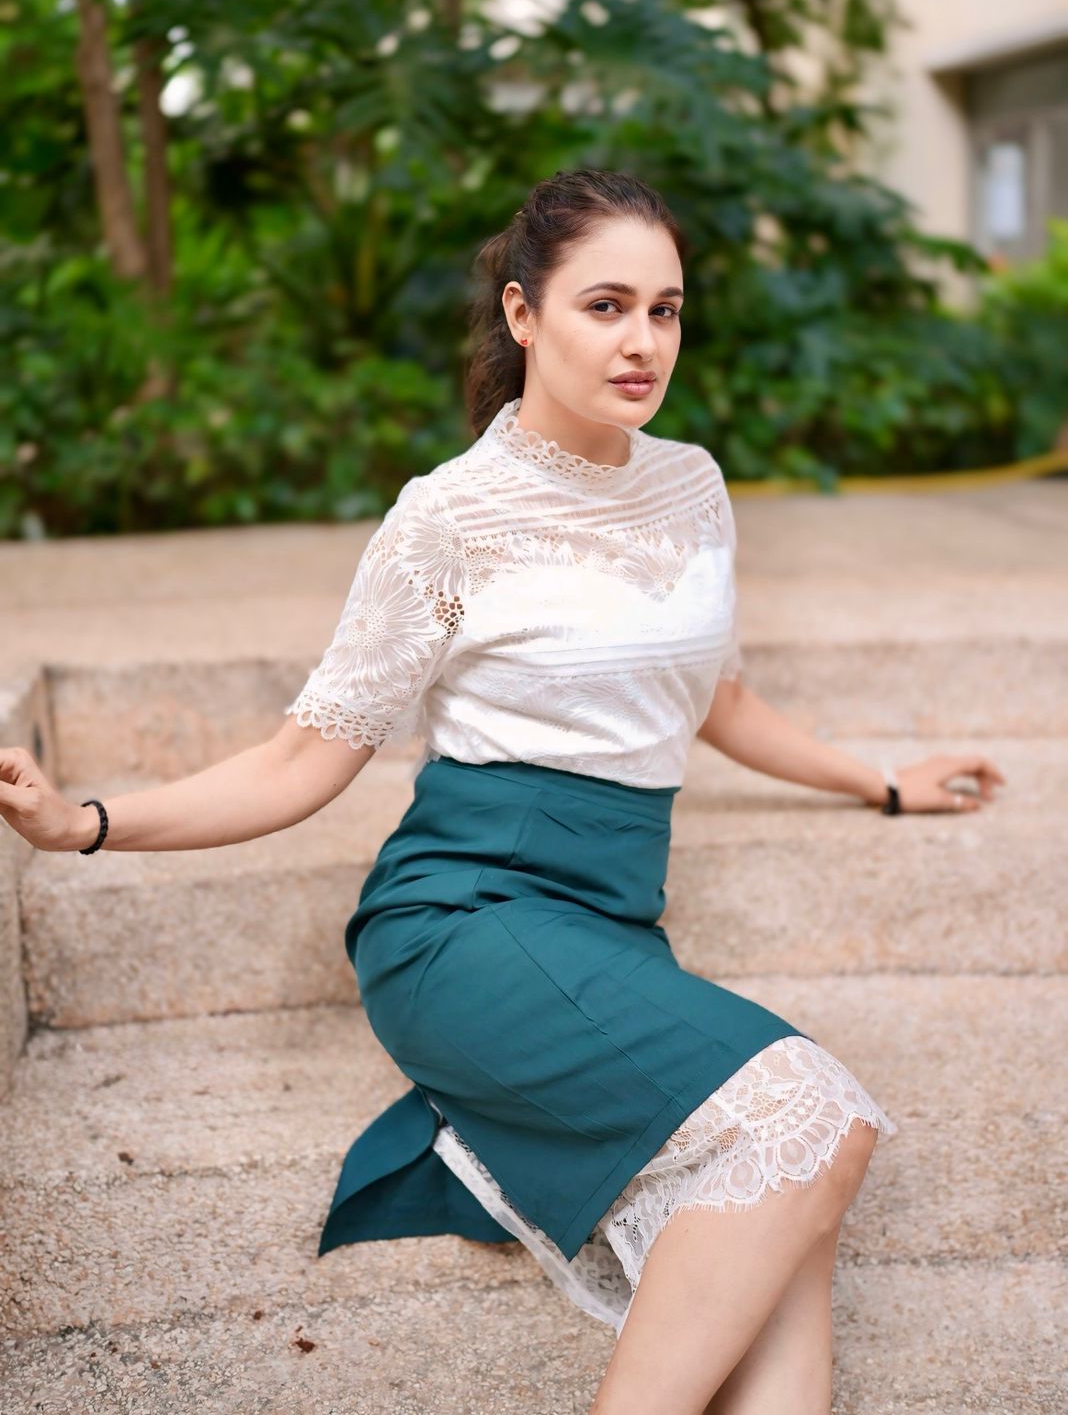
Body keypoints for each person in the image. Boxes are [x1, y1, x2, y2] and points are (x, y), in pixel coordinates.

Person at [0, 167, 1006, 1415]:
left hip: (611, 925)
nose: (644, 342)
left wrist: (884, 784)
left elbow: (718, 700)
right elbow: (302, 757)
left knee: (789, 1208)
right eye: (606, 306)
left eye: (668, 310)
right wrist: (82, 822)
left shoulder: (691, 485)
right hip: (463, 920)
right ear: (524, 315)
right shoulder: (451, 518)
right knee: (811, 1113)